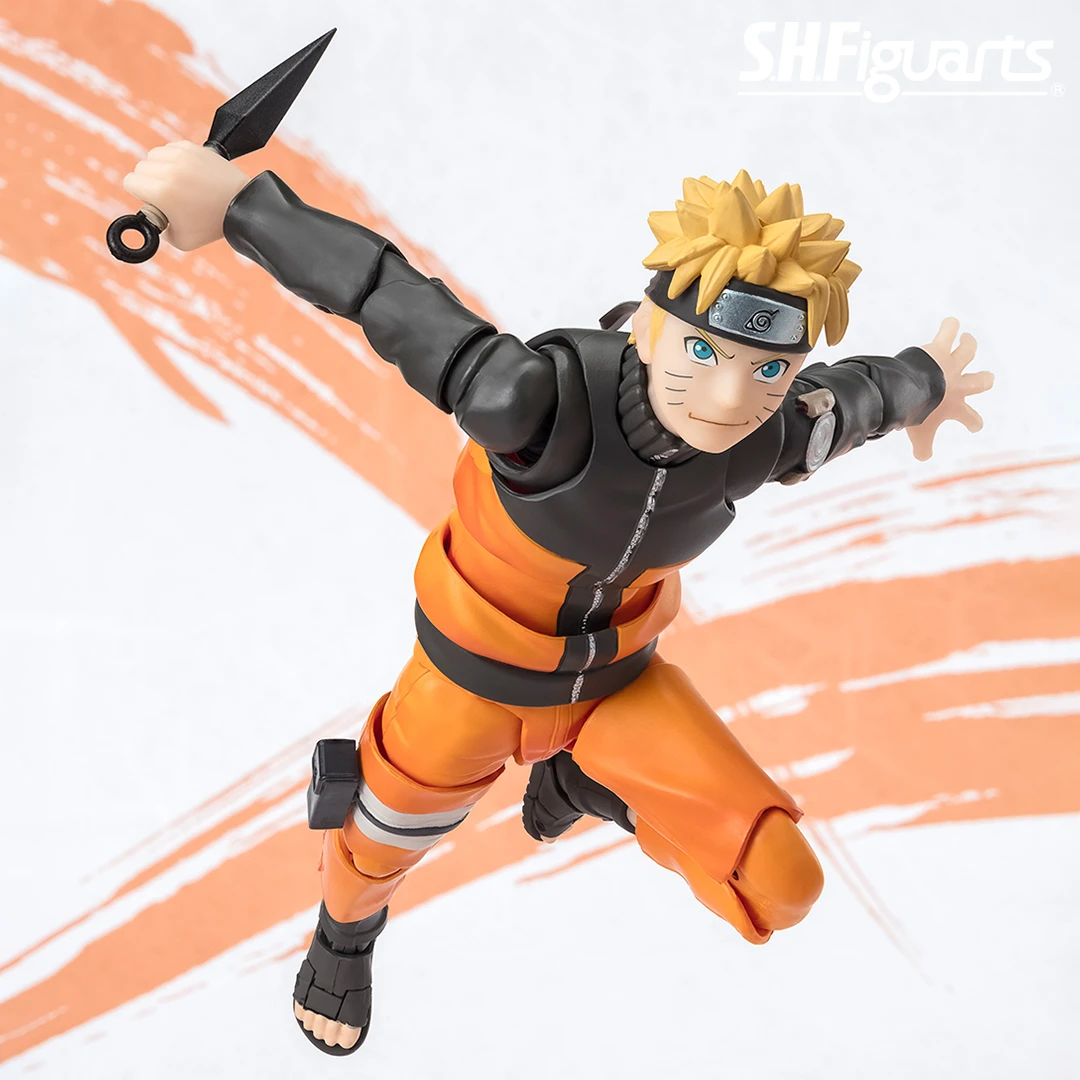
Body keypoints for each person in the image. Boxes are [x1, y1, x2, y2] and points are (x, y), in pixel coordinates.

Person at [122, 148, 993, 1054]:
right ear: (649, 327)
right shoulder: (535, 401)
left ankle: (584, 777)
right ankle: (342, 941)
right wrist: (241, 206)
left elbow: (853, 399)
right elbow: (384, 293)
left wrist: (927, 379)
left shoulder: (766, 436)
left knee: (782, 881)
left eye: (768, 371)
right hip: (471, 684)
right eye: (703, 351)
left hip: (620, 685)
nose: (732, 396)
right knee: (378, 838)